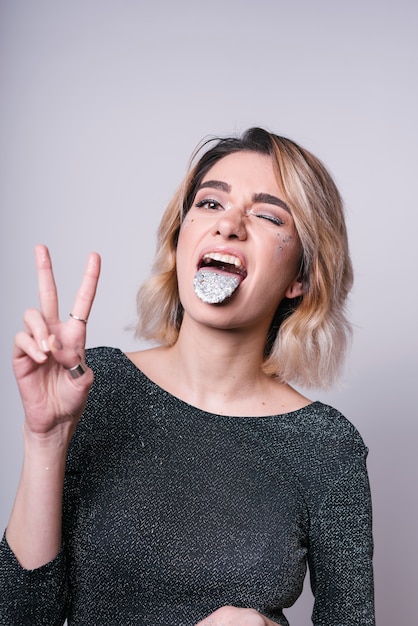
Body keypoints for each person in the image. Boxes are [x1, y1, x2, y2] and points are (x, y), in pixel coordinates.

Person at [0, 127, 375, 625]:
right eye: (211, 204)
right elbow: (20, 618)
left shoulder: (327, 445)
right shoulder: (96, 386)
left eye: (266, 214)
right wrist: (45, 438)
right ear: (182, 240)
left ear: (301, 278)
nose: (229, 226)